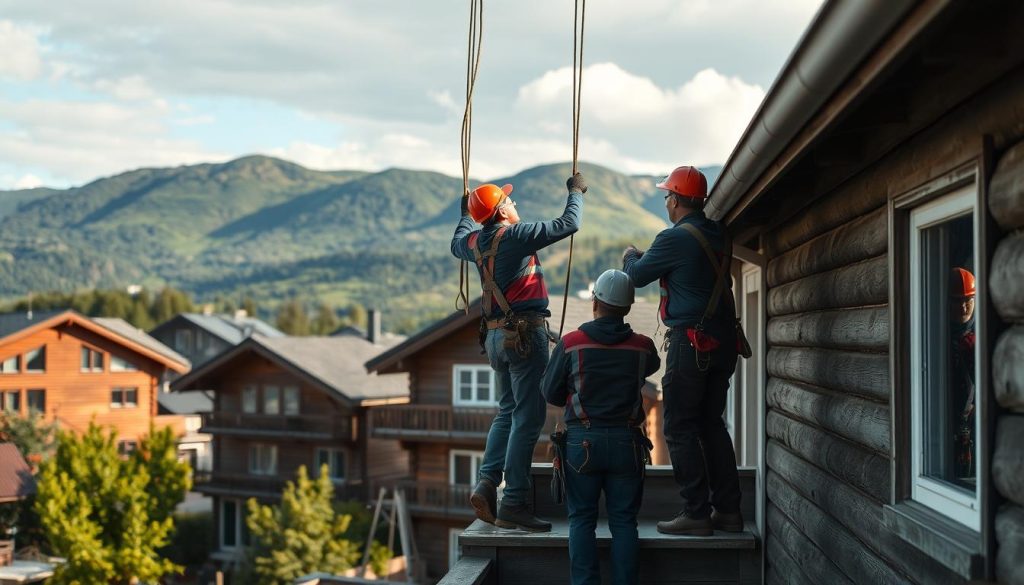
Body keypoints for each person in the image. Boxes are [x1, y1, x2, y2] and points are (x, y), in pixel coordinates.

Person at [450, 172, 586, 532]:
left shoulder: (478, 240)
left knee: (507, 411)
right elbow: (569, 223)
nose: (516, 204)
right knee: (527, 419)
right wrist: (575, 192)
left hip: (496, 337)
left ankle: (487, 481)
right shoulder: (516, 236)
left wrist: (466, 213)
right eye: (510, 201)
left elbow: (456, 243)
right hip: (525, 335)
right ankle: (514, 504)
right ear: (501, 210)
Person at [620, 165, 743, 536]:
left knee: (677, 426)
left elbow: (636, 276)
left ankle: (696, 513)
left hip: (692, 344)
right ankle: (728, 512)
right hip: (723, 342)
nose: (666, 202)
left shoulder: (673, 238)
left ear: (674, 199)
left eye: (666, 196)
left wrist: (629, 256)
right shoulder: (717, 233)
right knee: (711, 424)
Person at [541, 269, 660, 585]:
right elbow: (651, 366)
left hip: (582, 443)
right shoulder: (643, 346)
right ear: (628, 306)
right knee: (624, 522)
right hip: (627, 442)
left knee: (581, 519)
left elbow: (550, 392)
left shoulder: (570, 344)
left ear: (595, 301)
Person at [949, 266, 976, 480]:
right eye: (957, 300)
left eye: (969, 299)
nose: (964, 306)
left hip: (970, 429)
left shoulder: (979, 339)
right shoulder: (932, 336)